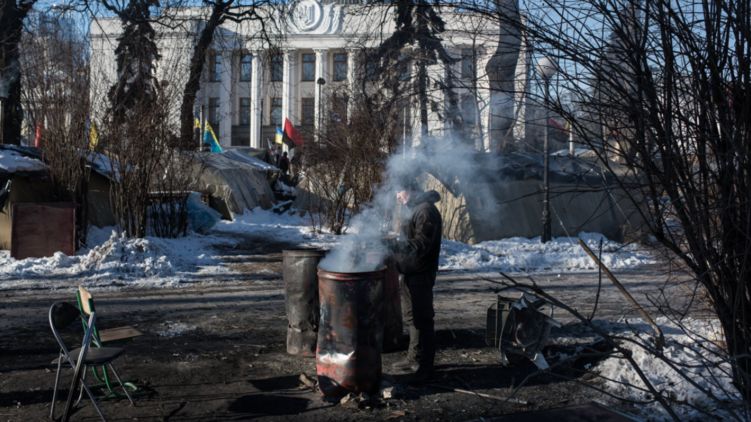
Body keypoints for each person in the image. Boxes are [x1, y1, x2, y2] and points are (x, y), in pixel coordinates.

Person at [388, 182, 442, 383]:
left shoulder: (426, 211)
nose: (397, 197)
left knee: (423, 318)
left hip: (421, 272)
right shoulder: (415, 209)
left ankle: (426, 367)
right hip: (411, 270)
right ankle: (414, 357)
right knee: (412, 317)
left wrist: (394, 245)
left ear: (410, 189)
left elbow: (422, 244)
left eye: (399, 191)